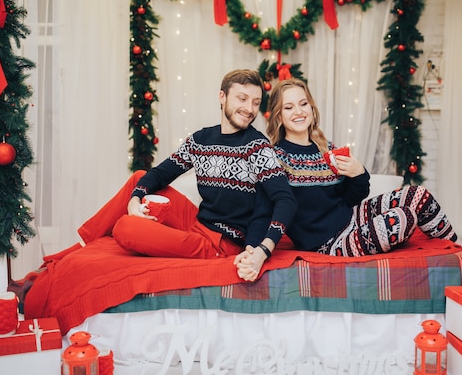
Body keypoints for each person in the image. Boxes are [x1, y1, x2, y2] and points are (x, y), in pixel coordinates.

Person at [235, 78, 462, 280]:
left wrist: (358, 173)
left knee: (418, 195)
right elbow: (264, 209)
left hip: (350, 218)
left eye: (303, 104)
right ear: (279, 116)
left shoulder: (326, 147)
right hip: (327, 244)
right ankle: (459, 257)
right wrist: (252, 248)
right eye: (288, 107)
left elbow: (350, 198)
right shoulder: (274, 157)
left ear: (312, 109)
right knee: (402, 219)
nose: (298, 112)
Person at [77, 69, 297, 278]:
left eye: (256, 103)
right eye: (242, 98)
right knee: (139, 178)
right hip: (196, 221)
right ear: (222, 97)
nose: (249, 108)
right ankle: (82, 244)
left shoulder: (257, 146)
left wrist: (262, 249)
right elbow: (160, 174)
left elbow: (285, 200)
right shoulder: (201, 139)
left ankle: (107, 237)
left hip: (219, 242)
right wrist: (134, 200)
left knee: (125, 227)